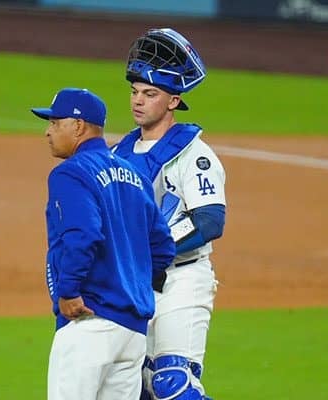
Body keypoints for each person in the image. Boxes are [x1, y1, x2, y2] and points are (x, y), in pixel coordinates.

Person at [31, 87, 176, 400]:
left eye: (55, 123)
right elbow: (163, 247)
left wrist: (69, 291)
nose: (48, 132)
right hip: (132, 332)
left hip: (89, 321)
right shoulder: (135, 175)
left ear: (78, 126)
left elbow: (82, 234)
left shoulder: (71, 173)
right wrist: (130, 284)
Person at [110, 28, 226, 399]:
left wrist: (151, 249)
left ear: (174, 100)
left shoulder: (194, 155)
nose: (138, 101)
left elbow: (210, 221)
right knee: (137, 385)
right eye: (135, 92)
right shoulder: (117, 155)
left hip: (182, 279)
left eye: (150, 94)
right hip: (135, 283)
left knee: (173, 383)